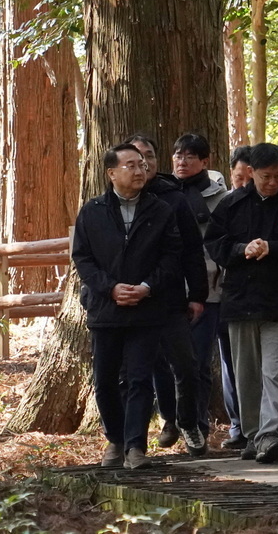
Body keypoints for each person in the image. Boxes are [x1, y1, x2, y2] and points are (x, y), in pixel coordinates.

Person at [206, 143, 278, 463]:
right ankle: (253, 434)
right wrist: (242, 249)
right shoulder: (231, 204)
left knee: (276, 371)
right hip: (240, 301)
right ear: (252, 173)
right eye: (265, 176)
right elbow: (215, 244)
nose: (272, 182)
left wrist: (275, 248)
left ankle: (271, 434)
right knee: (247, 374)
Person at [72, 143, 182, 469]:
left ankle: (136, 446)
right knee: (104, 381)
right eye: (130, 166)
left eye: (142, 165)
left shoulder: (160, 210)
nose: (139, 171)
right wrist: (110, 288)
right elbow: (83, 259)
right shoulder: (92, 212)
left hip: (147, 311)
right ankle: (115, 440)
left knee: (139, 379)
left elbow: (171, 256)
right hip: (106, 311)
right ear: (111, 173)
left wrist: (147, 287)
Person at [126, 133, 208, 455]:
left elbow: (192, 250)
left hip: (171, 299)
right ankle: (138, 437)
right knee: (139, 371)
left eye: (148, 156)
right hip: (130, 303)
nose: (142, 164)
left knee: (186, 366)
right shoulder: (113, 200)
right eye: (135, 158)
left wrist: (197, 294)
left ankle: (188, 423)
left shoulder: (173, 198)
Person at [169, 133, 229, 448]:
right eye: (178, 155)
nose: (183, 160)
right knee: (167, 362)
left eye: (190, 156)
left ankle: (198, 428)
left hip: (208, 290)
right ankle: (173, 421)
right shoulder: (161, 194)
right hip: (166, 290)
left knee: (199, 361)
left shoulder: (220, 198)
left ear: (205, 161)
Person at [219, 145, 253, 448]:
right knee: (231, 365)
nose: (243, 185)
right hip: (229, 295)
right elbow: (215, 245)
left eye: (248, 179)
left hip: (267, 299)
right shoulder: (227, 205)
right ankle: (238, 426)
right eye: (238, 178)